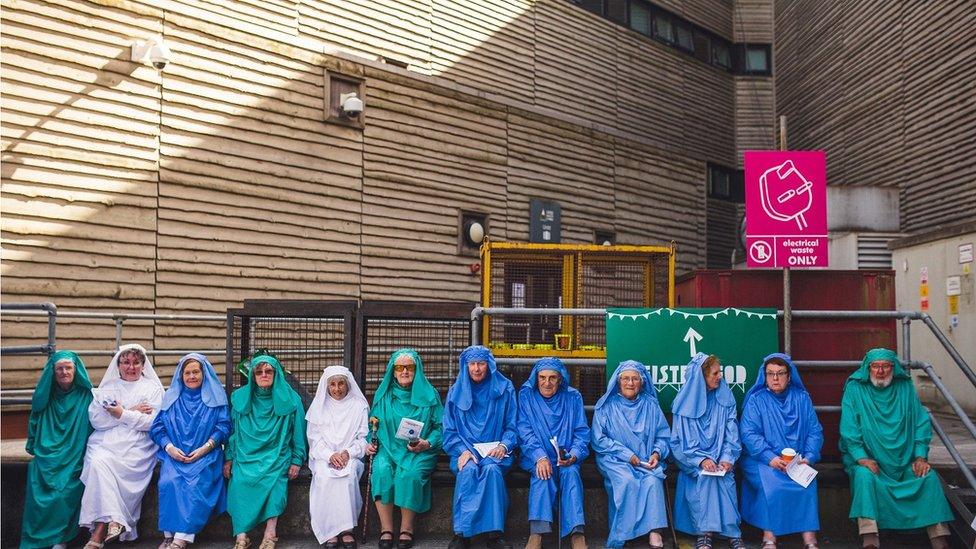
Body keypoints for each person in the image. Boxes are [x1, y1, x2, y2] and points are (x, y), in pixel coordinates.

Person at [839, 348, 953, 549]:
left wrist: (920, 456)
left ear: (894, 367)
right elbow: (849, 430)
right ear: (868, 368)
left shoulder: (905, 387)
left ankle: (939, 539)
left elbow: (920, 423)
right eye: (875, 366)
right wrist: (861, 457)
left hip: (905, 460)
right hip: (868, 460)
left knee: (929, 477)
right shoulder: (855, 389)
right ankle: (870, 539)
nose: (880, 371)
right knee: (864, 478)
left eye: (886, 366)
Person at [79, 343, 164, 548]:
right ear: (118, 365)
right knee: (99, 462)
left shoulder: (152, 389)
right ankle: (114, 521)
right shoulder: (108, 388)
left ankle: (98, 533)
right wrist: (129, 411)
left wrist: (120, 413)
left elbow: (152, 422)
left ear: (143, 365)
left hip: (138, 446)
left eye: (136, 362)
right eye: (126, 362)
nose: (131, 367)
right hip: (105, 442)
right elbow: (97, 421)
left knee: (107, 467)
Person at [739, 353, 823, 549]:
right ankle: (769, 538)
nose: (775, 378)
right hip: (761, 460)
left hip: (798, 461)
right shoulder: (756, 400)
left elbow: (814, 431)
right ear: (764, 376)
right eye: (770, 374)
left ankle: (810, 540)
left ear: (789, 375)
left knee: (807, 482)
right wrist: (771, 458)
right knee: (773, 484)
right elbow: (749, 434)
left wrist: (809, 457)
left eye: (780, 373)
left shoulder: (802, 398)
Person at [225, 354, 307, 549]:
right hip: (245, 456)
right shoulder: (240, 399)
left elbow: (298, 434)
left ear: (276, 373)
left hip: (276, 455)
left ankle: (270, 534)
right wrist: (229, 457)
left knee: (276, 480)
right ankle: (241, 537)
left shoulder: (291, 400)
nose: (264, 375)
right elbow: (233, 433)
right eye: (259, 372)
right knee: (239, 481)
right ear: (252, 375)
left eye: (268, 371)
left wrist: (296, 460)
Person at [150, 353, 232, 549]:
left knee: (194, 483)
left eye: (196, 372)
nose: (192, 376)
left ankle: (181, 538)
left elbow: (224, 427)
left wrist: (205, 448)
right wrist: (170, 448)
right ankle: (168, 535)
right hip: (175, 456)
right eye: (187, 373)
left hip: (206, 456)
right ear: (181, 376)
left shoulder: (216, 399)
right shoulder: (171, 399)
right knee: (169, 482)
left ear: (204, 374)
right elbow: (157, 428)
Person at [367, 349, 444, 549]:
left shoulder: (430, 395)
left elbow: (442, 428)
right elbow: (372, 425)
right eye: (399, 368)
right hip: (388, 448)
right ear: (392, 371)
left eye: (409, 367)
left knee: (409, 475)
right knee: (382, 471)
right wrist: (371, 441)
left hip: (419, 450)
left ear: (417, 369)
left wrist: (427, 443)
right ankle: (386, 529)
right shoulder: (384, 395)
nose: (404, 372)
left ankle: (406, 529)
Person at [443, 345, 518, 549]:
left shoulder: (505, 388)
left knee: (492, 470)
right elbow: (449, 432)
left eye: (481, 363)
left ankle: (494, 535)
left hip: (496, 452)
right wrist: (462, 451)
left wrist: (504, 445)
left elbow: (513, 426)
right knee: (467, 472)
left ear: (490, 365)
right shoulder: (455, 392)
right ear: (465, 366)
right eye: (472, 364)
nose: (476, 369)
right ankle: (462, 534)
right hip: (464, 451)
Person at [591, 360, 671, 549]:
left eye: (635, 379)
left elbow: (663, 436)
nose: (630, 383)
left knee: (652, 481)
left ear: (642, 382)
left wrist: (656, 453)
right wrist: (627, 455)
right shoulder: (606, 406)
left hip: (645, 460)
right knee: (627, 480)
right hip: (614, 459)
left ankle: (654, 531)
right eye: (626, 378)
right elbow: (599, 440)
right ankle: (623, 534)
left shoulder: (651, 405)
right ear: (618, 381)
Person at [20, 351, 93, 549]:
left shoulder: (85, 396)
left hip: (74, 455)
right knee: (37, 481)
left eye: (68, 368)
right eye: (59, 368)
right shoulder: (45, 396)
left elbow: (98, 422)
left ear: (76, 370)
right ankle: (39, 539)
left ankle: (60, 539)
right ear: (52, 371)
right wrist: (34, 445)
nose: (64, 372)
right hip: (47, 455)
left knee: (66, 489)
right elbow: (34, 422)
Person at [670, 353, 744, 549]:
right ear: (700, 377)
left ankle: (731, 532)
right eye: (714, 373)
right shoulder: (683, 404)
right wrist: (701, 461)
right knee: (707, 477)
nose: (720, 376)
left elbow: (732, 435)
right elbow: (677, 444)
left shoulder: (725, 399)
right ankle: (705, 532)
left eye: (719, 372)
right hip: (693, 465)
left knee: (723, 476)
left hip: (721, 460)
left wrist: (728, 458)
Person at [518, 357, 591, 549]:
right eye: (542, 377)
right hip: (537, 456)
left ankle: (577, 534)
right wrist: (539, 457)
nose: (547, 383)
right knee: (543, 474)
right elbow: (524, 431)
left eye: (552, 378)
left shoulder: (573, 397)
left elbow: (581, 432)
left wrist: (574, 454)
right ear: (536, 378)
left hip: (566, 458)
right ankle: (537, 533)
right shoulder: (527, 396)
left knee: (571, 473)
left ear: (560, 379)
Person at [306, 366, 369, 549]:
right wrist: (330, 455)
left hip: (351, 456)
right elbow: (314, 439)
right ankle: (330, 531)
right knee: (325, 477)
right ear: (326, 387)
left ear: (348, 384)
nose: (337, 388)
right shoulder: (319, 407)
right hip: (324, 457)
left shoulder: (359, 406)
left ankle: (346, 530)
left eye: (341, 383)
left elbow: (363, 438)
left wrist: (347, 453)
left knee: (348, 476)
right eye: (332, 384)